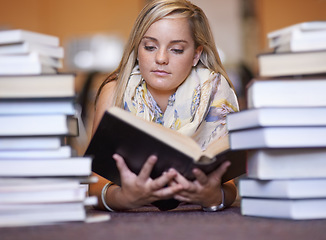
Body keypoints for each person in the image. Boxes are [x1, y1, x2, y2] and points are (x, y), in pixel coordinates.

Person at [88, 0, 239, 212]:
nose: (160, 58)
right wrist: (123, 198)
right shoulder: (115, 91)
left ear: (196, 54)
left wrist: (212, 196)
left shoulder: (215, 91)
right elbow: (94, 186)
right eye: (149, 47)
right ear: (137, 47)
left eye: (176, 49)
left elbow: (229, 187)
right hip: (132, 223)